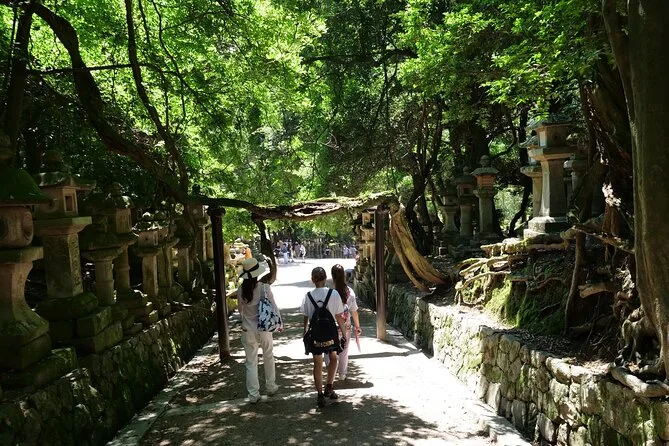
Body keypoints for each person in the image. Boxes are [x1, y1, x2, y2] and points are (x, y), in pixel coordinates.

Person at [300, 267, 347, 408]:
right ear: (326, 278)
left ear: (312, 279)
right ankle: (329, 386)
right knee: (334, 358)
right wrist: (344, 334)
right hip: (330, 332)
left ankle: (320, 394)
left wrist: (304, 332)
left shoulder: (308, 296)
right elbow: (339, 316)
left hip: (316, 334)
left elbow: (306, 317)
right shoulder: (333, 294)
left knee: (317, 363)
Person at [237, 257, 281, 403]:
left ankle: (253, 394)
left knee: (251, 362)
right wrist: (279, 322)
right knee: (268, 355)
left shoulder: (241, 290)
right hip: (264, 328)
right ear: (257, 274)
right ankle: (270, 386)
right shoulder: (264, 288)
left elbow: (240, 311)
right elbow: (273, 306)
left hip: (248, 330)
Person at [325, 264, 362, 381]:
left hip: (330, 325)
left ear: (332, 275)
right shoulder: (349, 291)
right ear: (344, 276)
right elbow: (354, 311)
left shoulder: (327, 290)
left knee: (329, 349)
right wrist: (357, 326)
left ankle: (330, 370)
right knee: (344, 350)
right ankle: (342, 373)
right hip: (345, 325)